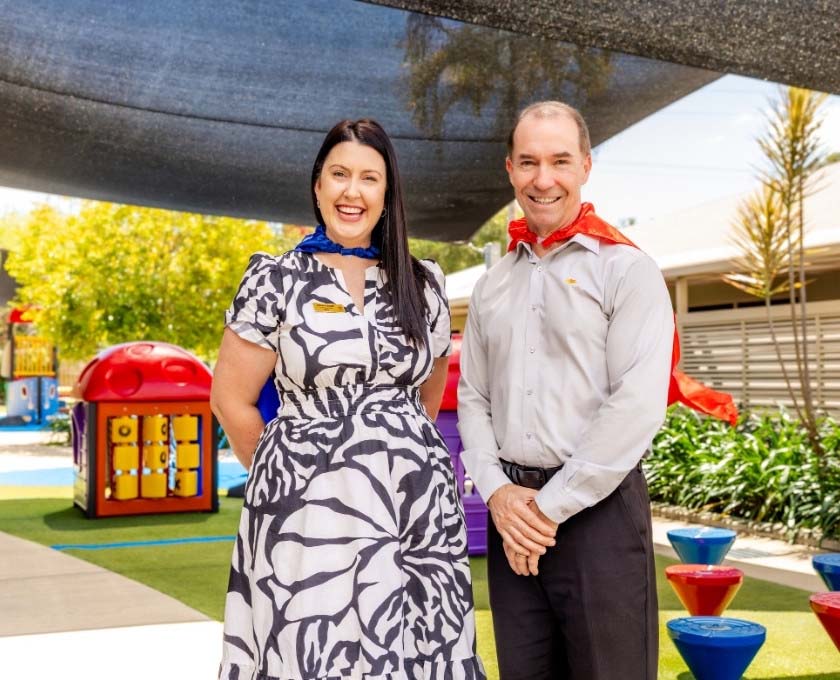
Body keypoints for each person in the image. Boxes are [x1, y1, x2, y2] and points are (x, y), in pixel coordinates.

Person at [212, 119, 485, 680]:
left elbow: (424, 399)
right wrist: (294, 476)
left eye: (368, 178)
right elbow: (231, 402)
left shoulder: (422, 283)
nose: (352, 192)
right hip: (305, 516)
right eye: (338, 174)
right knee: (313, 650)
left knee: (414, 653)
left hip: (414, 516)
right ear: (317, 185)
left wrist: (387, 457)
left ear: (387, 194)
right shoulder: (276, 281)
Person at [458, 101, 674, 680]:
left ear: (585, 165)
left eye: (559, 160)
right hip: (512, 517)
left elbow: (635, 405)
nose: (543, 178)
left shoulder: (627, 271)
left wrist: (545, 511)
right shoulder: (492, 285)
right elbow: (474, 398)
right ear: (509, 169)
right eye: (528, 162)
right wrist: (500, 496)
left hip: (598, 516)